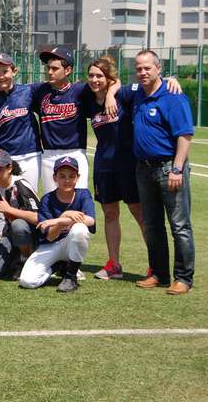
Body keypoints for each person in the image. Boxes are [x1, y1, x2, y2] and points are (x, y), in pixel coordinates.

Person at [132, 49, 195, 295]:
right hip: (143, 170)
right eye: (138, 68)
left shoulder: (173, 95)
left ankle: (183, 278)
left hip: (169, 168)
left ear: (159, 68)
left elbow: (185, 135)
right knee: (153, 225)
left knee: (179, 225)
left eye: (147, 68)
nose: (143, 72)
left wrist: (177, 168)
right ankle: (159, 273)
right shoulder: (137, 94)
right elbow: (112, 84)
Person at [84, 57, 149, 280]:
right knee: (110, 214)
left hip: (128, 165)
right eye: (91, 75)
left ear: (109, 78)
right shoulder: (88, 99)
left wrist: (112, 92)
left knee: (139, 213)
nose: (94, 79)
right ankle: (114, 265)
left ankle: (155, 266)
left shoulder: (124, 95)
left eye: (99, 76)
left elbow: (148, 85)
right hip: (104, 165)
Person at [31, 46, 118, 193]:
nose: (49, 72)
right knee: (52, 204)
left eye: (55, 68)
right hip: (49, 155)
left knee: (78, 201)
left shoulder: (81, 90)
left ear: (68, 70)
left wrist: (110, 95)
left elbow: (114, 80)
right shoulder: (39, 90)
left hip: (75, 153)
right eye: (48, 68)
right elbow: (13, 88)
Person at [19, 156, 95, 293]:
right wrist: (63, 219)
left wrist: (59, 219)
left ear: (77, 177)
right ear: (55, 178)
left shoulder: (83, 194)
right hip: (51, 245)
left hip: (70, 244)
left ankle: (71, 276)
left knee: (80, 229)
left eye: (72, 176)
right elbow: (50, 237)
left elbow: (90, 220)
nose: (67, 180)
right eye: (62, 176)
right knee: (27, 281)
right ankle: (58, 266)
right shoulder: (47, 199)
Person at [0, 52, 43, 189]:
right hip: (4, 158)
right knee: (5, 200)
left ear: (14, 71)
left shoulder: (28, 91)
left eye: (5, 71)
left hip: (30, 155)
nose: (1, 76)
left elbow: (52, 84)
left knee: (29, 197)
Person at [0, 149, 40, 279]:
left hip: (32, 235)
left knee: (18, 225)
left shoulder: (21, 185)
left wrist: (10, 210)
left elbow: (39, 219)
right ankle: (14, 257)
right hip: (11, 233)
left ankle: (25, 260)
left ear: (9, 168)